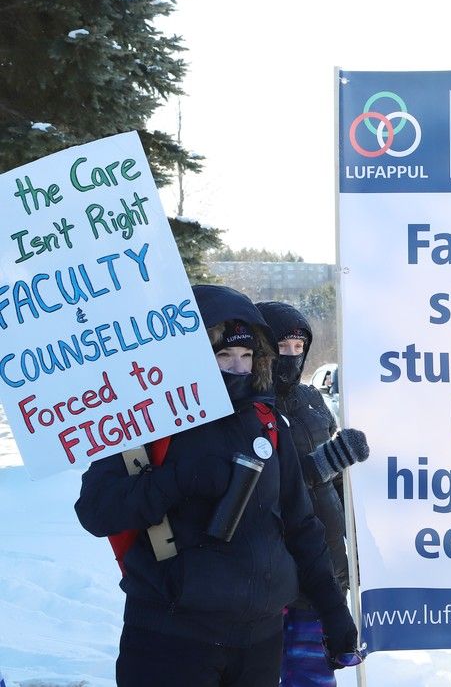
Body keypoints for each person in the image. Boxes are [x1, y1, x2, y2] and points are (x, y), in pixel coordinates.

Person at [75, 284, 357, 686]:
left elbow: (301, 525)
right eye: (223, 355)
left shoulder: (267, 422)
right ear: (194, 355)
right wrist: (178, 480)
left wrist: (333, 610)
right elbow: (96, 510)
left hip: (259, 641)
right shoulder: (150, 421)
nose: (238, 368)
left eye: (247, 356)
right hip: (172, 639)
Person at [256, 301, 368, 687]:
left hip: (328, 573)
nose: (291, 356)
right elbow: (262, 487)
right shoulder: (248, 406)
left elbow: (336, 485)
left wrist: (357, 546)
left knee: (315, 678)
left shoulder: (312, 400)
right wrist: (323, 464)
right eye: (281, 346)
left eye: (298, 347)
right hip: (280, 580)